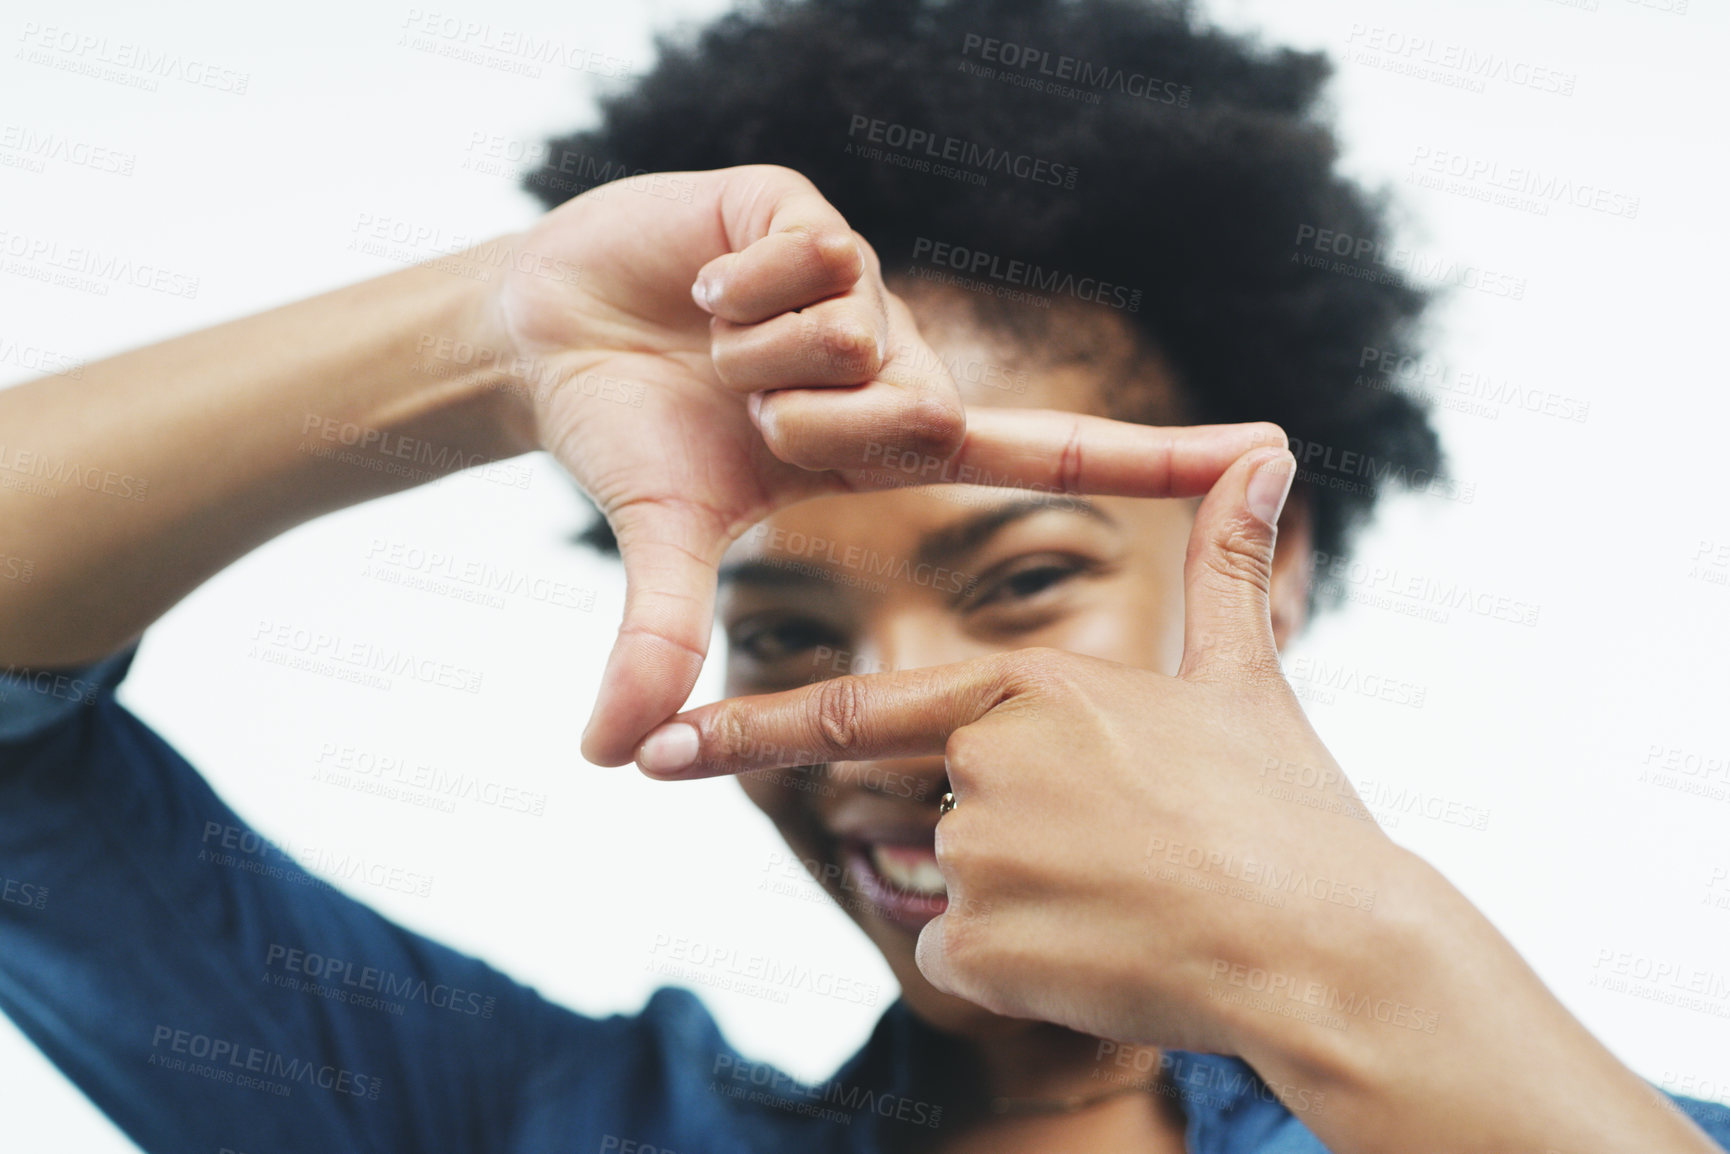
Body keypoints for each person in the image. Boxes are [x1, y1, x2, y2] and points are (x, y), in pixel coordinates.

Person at [1, 0, 1725, 1150]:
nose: (882, 723)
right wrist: (484, 338)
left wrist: (1352, 956)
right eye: (783, 627)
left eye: (1021, 579)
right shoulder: (520, 1118)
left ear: (1264, 577)